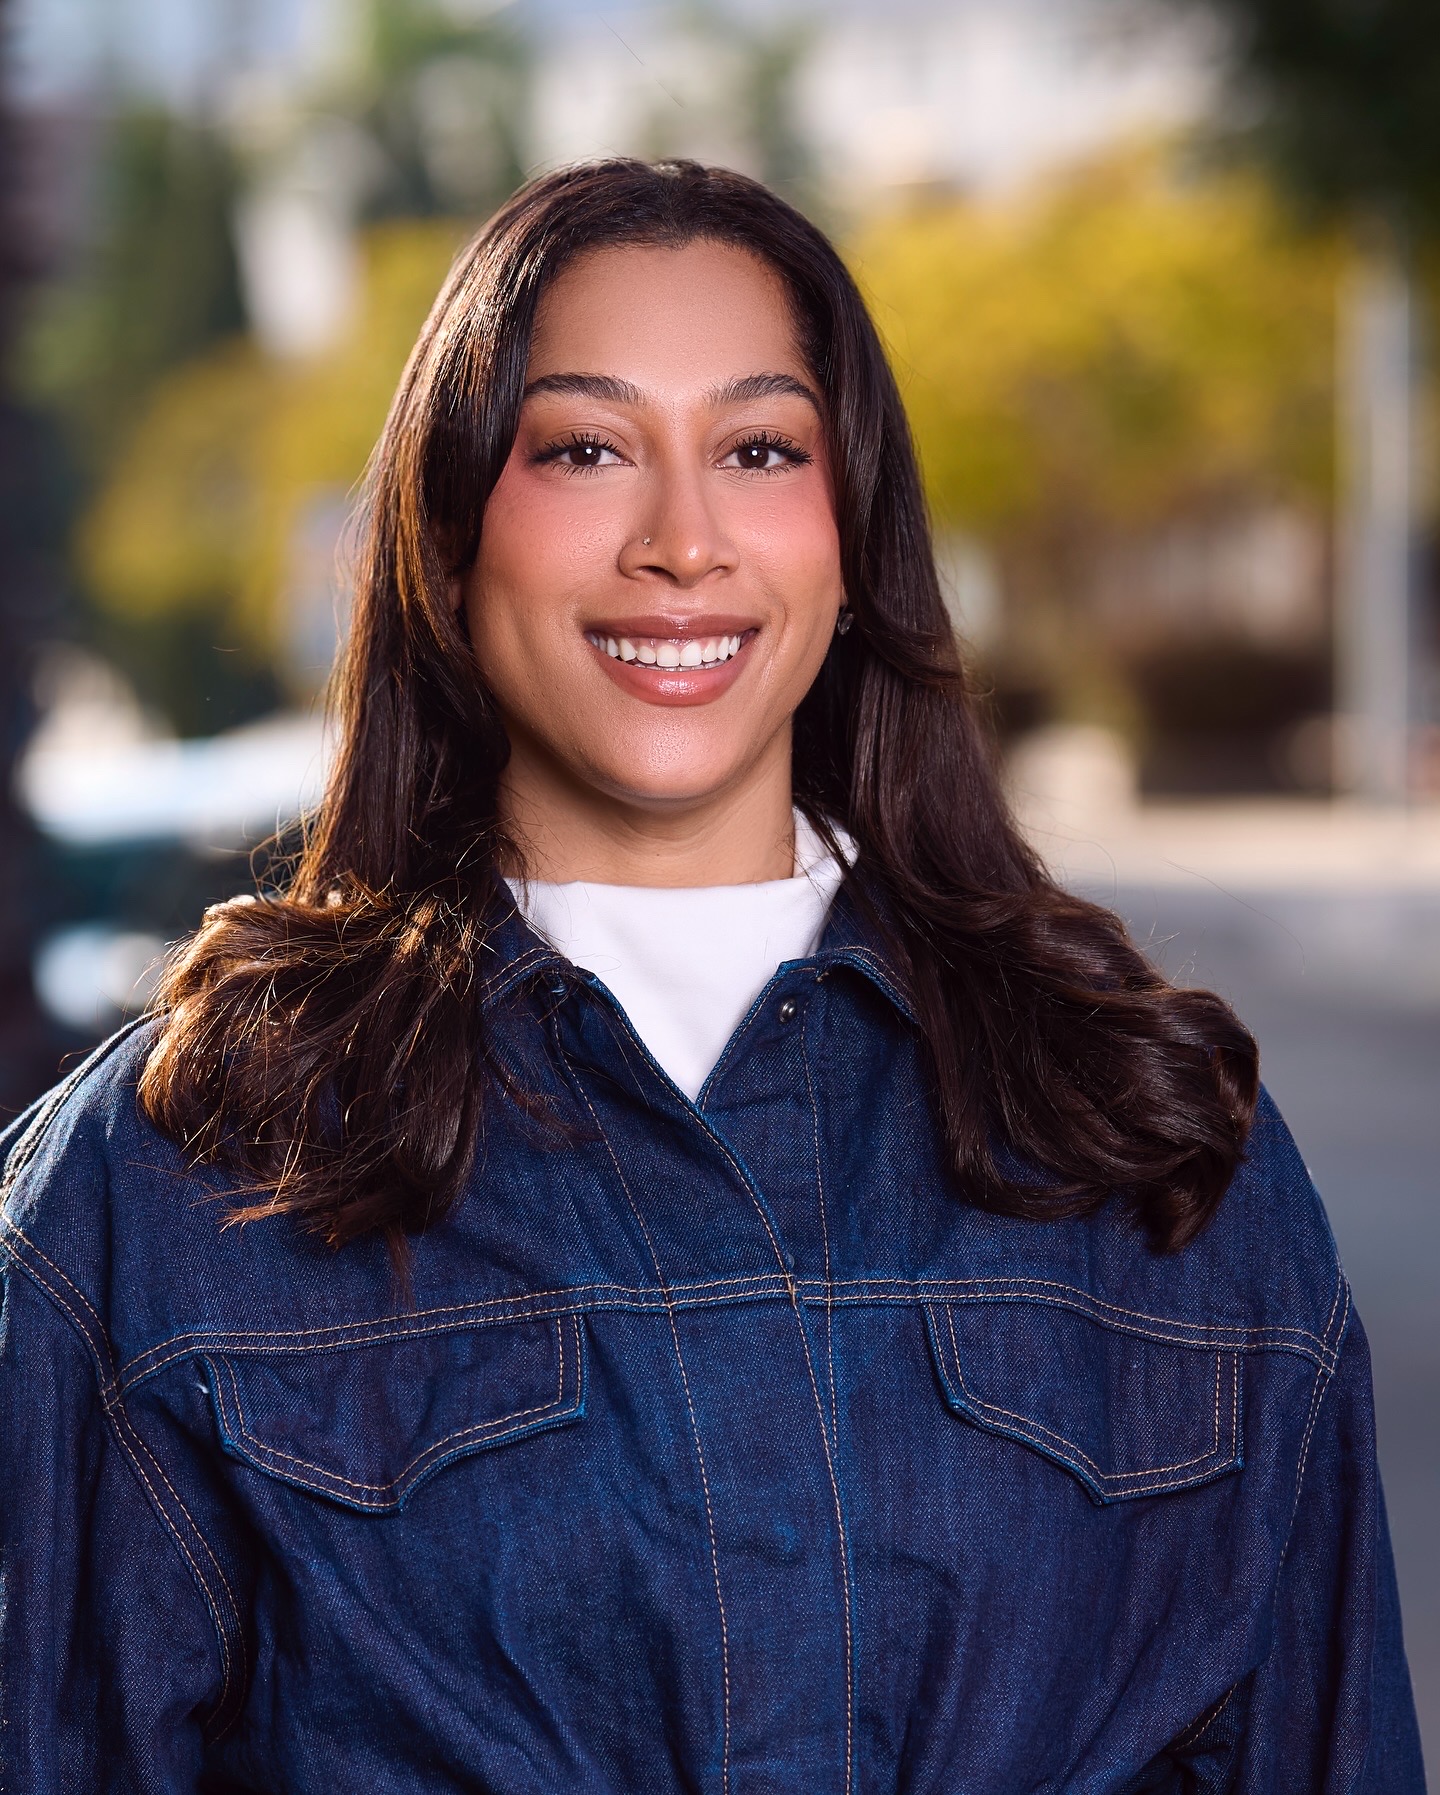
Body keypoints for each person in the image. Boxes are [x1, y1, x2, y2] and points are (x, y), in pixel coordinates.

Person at [0, 158, 1422, 1793]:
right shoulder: (168, 1180)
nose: (682, 542)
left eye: (759, 451)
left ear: (852, 536)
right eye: (585, 450)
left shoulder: (1155, 1149)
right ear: (448, 537)